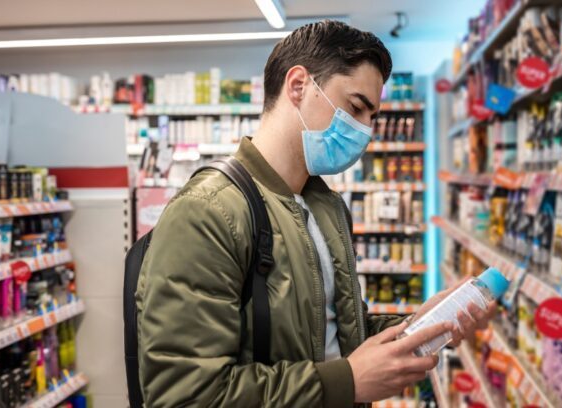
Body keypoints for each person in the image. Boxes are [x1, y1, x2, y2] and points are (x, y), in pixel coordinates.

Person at [136, 20, 495, 407]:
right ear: (298, 86)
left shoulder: (326, 207)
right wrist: (347, 382)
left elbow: (336, 337)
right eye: (356, 107)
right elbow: (186, 395)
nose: (366, 130)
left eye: (372, 117)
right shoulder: (208, 212)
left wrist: (420, 327)